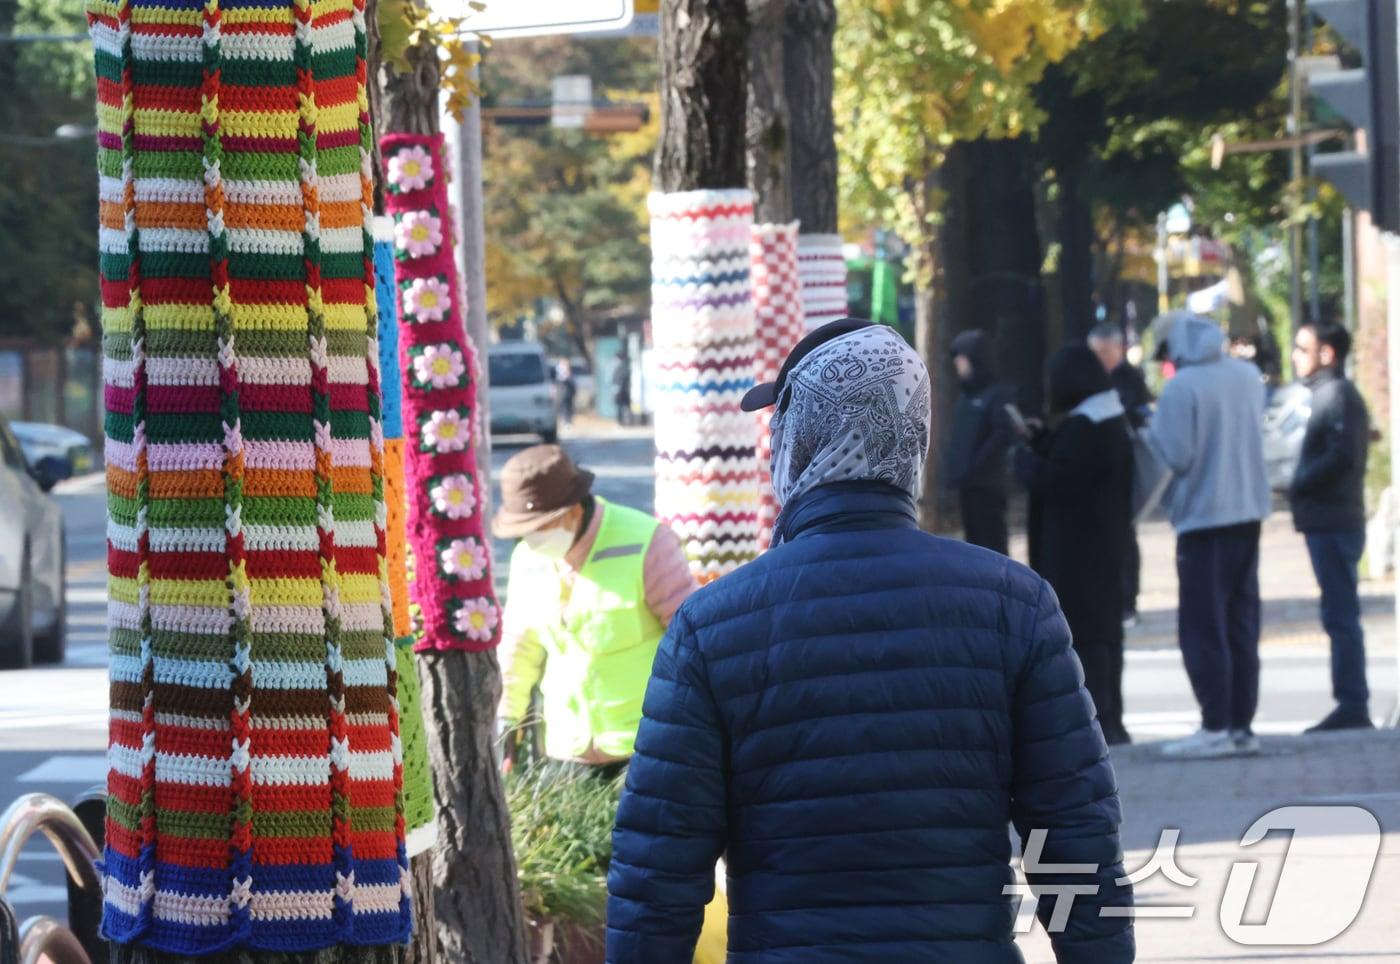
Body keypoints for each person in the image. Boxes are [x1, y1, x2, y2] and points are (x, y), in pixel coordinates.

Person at [607, 319, 1135, 962]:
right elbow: (1073, 828)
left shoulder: (713, 625)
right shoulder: (1013, 603)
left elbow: (660, 860)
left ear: (800, 439)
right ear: (912, 429)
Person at [494, 445, 696, 773]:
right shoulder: (527, 559)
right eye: (523, 531)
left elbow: (692, 643)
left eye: (538, 527)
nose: (530, 540)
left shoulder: (646, 543)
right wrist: (508, 717)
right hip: (565, 752)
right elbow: (519, 646)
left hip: (646, 749)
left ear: (572, 510)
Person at [1149, 311, 1272, 759]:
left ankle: (1214, 723)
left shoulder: (1183, 387)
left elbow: (1177, 455)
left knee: (1203, 626)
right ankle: (1241, 724)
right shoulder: (1246, 375)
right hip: (1249, 511)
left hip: (1204, 516)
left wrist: (1148, 429)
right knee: (1241, 622)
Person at [1015, 345, 1134, 746]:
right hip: (1104, 544)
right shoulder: (1105, 419)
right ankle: (1112, 718)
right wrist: (1045, 440)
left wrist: (1027, 463)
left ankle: (1100, 721)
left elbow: (1061, 482)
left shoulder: (1087, 426)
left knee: (1086, 635)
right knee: (1105, 634)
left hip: (1077, 551)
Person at [1290, 322, 1373, 732]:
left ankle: (1353, 704)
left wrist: (1299, 482)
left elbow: (1343, 456)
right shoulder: (1328, 395)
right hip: (1328, 519)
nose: (1294, 356)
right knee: (1337, 615)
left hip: (1335, 520)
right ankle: (1350, 702)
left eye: (1303, 348)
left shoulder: (1337, 395)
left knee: (1341, 617)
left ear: (1327, 354)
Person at [1089, 322, 1153, 627]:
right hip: (1097, 467)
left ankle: (1128, 600)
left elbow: (1139, 416)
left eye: (1105, 351)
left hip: (1124, 465)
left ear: (1119, 349)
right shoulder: (1088, 378)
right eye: (1095, 352)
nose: (1100, 358)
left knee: (1125, 535)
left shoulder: (1130, 379)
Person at [944, 329, 1014, 554]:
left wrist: (976, 464)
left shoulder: (997, 394)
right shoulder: (966, 395)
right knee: (974, 546)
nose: (958, 363)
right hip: (968, 486)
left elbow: (1003, 433)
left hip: (987, 486)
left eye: (962, 357)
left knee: (992, 545)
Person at [613, 351, 634, 426]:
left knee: (623, 407)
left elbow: (620, 381)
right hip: (623, 392)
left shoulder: (622, 368)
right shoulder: (620, 367)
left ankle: (623, 422)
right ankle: (622, 422)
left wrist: (617, 390)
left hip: (623, 392)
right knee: (622, 407)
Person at [555, 358, 577, 428]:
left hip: (568, 394)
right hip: (563, 394)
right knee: (563, 408)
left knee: (568, 408)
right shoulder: (560, 372)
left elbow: (572, 385)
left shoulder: (569, 374)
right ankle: (565, 421)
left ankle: (568, 421)